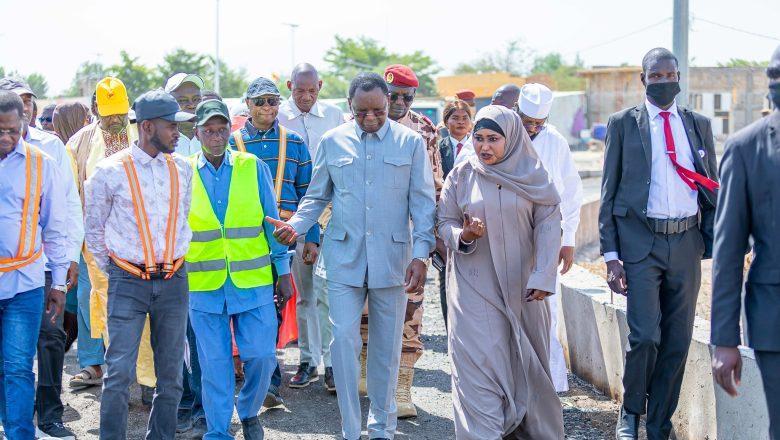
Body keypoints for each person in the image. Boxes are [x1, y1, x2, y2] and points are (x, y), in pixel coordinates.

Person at [267, 72, 436, 440]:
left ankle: (381, 428)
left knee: (386, 347)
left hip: (393, 261)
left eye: (378, 110)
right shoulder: (333, 141)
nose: (370, 118)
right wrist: (295, 225)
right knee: (342, 340)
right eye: (362, 112)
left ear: (389, 103)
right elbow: (316, 196)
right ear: (349, 107)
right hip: (343, 258)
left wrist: (421, 254)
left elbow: (423, 205)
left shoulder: (410, 143)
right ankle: (348, 428)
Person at [600, 48, 718, 440]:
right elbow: (609, 193)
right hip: (640, 245)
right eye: (657, 75)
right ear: (643, 79)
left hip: (685, 243)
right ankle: (631, 412)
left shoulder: (698, 124)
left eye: (672, 75)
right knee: (646, 335)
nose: (666, 82)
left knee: (677, 341)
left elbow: (710, 187)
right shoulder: (623, 125)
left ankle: (659, 424)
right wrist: (612, 256)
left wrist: (710, 243)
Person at [438, 104, 564, 439]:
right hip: (474, 285)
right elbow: (445, 222)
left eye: (493, 138)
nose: (484, 147)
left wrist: (542, 276)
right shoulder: (463, 175)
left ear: (512, 139)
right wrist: (462, 236)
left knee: (527, 363)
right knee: (477, 364)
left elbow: (550, 226)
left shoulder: (535, 177)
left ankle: (526, 428)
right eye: (478, 138)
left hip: (524, 287)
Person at [84, 89, 195, 439]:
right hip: (128, 282)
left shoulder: (182, 168)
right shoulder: (108, 172)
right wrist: (119, 270)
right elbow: (94, 231)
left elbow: (181, 222)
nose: (178, 132)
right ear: (146, 127)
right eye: (170, 126)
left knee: (172, 375)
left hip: (175, 280)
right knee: (118, 373)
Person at [187, 99, 291, 439]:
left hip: (253, 281)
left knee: (262, 357)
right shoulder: (183, 172)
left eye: (221, 130)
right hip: (204, 287)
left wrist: (284, 270)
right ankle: (218, 432)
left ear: (229, 130)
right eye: (209, 131)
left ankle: (248, 411)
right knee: (214, 368)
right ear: (197, 132)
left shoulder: (251, 166)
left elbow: (272, 222)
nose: (216, 137)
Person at [352, 64, 439, 419]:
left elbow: (434, 187)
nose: (400, 102)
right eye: (395, 96)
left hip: (408, 241)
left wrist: (430, 238)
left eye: (407, 96)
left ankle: (402, 385)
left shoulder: (424, 131)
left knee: (410, 311)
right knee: (362, 308)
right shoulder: (360, 123)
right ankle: (363, 367)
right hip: (366, 238)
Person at [0, 77, 84, 439]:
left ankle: (21, 433)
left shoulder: (41, 162)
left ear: (24, 124)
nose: (6, 138)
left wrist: (60, 282)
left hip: (26, 285)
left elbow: (56, 225)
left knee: (19, 366)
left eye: (12, 131)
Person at [66, 78, 157, 406]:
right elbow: (72, 196)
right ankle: (117, 381)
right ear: (96, 112)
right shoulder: (78, 144)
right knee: (107, 311)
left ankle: (148, 380)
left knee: (144, 313)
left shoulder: (143, 135)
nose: (117, 121)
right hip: (99, 248)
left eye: (121, 113)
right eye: (109, 115)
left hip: (142, 244)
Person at [229, 76, 320, 407]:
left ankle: (269, 381)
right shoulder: (232, 143)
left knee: (280, 308)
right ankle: (264, 380)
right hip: (246, 243)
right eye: (261, 101)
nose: (268, 107)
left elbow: (309, 194)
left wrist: (312, 238)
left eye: (273, 101)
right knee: (253, 310)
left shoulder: (294, 142)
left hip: (288, 240)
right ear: (248, 105)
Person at [710, 44, 780, 440]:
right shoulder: (745, 148)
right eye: (773, 76)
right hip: (774, 320)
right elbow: (728, 249)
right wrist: (724, 339)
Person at [278, 63, 344, 393]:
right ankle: (307, 360)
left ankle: (332, 364)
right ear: (289, 85)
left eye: (312, 90)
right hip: (298, 215)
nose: (305, 97)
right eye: (299, 90)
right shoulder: (279, 117)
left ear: (320, 86)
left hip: (332, 214)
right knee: (305, 294)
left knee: (330, 293)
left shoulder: (334, 116)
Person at [518, 83, 583, 393]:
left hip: (546, 236)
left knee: (546, 309)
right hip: (508, 235)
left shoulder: (555, 141)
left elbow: (571, 191)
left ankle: (550, 386)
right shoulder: (501, 134)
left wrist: (567, 238)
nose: (532, 128)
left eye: (537, 124)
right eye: (527, 121)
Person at [166, 72, 207, 435]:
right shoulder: (166, 144)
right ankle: (180, 402)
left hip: (208, 260)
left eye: (194, 96)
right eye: (182, 98)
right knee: (175, 336)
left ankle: (200, 406)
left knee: (200, 338)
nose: (190, 104)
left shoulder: (215, 138)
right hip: (172, 256)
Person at [435, 99, 473, 327]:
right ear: (446, 121)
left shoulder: (479, 146)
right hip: (445, 221)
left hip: (471, 221)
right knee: (445, 275)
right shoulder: (438, 149)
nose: (460, 123)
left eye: (464, 118)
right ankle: (451, 327)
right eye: (455, 118)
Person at [165, 72, 204, 156]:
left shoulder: (214, 137)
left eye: (196, 99)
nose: (192, 105)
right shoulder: (159, 142)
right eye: (183, 100)